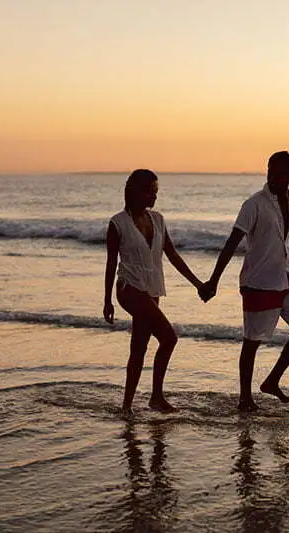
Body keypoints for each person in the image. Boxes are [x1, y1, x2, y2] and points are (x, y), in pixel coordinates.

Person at [199, 151, 289, 412]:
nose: (272, 176)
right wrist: (214, 281)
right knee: (251, 341)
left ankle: (272, 381)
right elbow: (232, 243)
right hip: (258, 281)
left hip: (284, 277)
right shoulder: (253, 204)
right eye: (270, 170)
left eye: (279, 172)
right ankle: (244, 398)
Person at [103, 169, 203, 416]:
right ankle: (156, 397)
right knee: (169, 337)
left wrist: (198, 283)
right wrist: (107, 301)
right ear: (136, 191)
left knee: (139, 347)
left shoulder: (158, 219)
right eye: (151, 191)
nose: (154, 196)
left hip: (153, 288)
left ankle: (126, 406)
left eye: (156, 192)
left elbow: (172, 255)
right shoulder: (118, 223)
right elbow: (110, 263)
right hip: (129, 288)